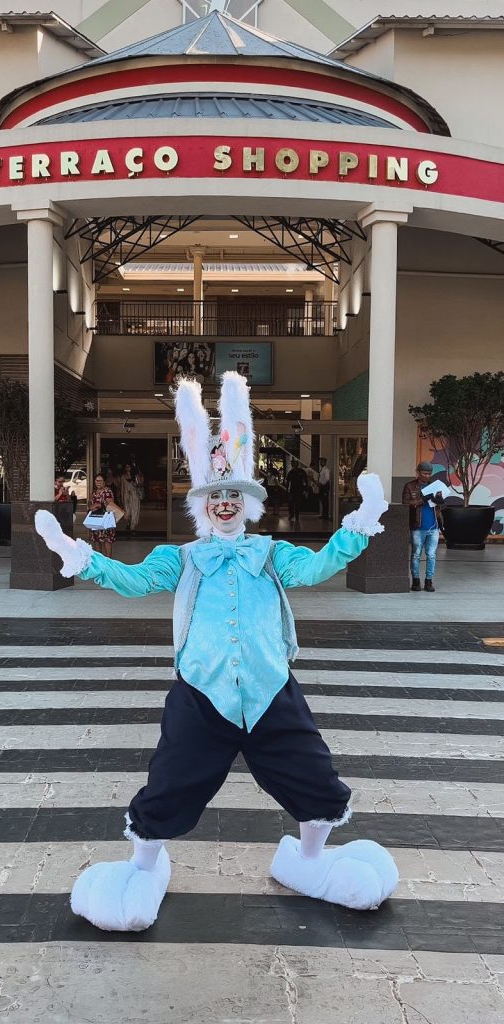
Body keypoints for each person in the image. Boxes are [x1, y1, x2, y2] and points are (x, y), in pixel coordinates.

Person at [35, 371, 398, 933]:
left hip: (270, 688)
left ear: (246, 504)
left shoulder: (272, 553)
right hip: (202, 694)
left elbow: (317, 567)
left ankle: (309, 861)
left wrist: (357, 527)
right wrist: (81, 556)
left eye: (233, 495)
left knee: (313, 775)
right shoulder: (182, 558)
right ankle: (142, 868)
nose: (225, 504)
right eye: (215, 497)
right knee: (172, 781)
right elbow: (133, 581)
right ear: (201, 506)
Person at [402, 460, 444, 592]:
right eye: (425, 473)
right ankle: (415, 580)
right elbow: (405, 503)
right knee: (416, 554)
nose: (427, 476)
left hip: (434, 526)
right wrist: (422, 500)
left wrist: (440, 501)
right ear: (418, 472)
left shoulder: (435, 486)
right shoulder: (409, 486)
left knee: (431, 555)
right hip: (418, 526)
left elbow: (442, 505)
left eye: (429, 473)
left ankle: (428, 581)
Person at [87, 473, 116, 557]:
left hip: (106, 519)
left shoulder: (108, 491)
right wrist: (93, 506)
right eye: (97, 480)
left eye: (100, 480)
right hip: (96, 519)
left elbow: (110, 505)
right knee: (96, 540)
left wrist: (98, 505)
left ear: (104, 482)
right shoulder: (94, 492)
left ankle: (108, 562)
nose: (98, 482)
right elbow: (90, 504)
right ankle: (99, 562)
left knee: (107, 540)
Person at [122, 462, 143, 535]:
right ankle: (129, 523)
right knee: (127, 513)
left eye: (129, 467)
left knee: (135, 511)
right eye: (126, 467)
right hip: (126, 495)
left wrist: (136, 481)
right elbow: (122, 488)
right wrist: (121, 498)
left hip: (134, 495)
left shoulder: (135, 476)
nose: (127, 468)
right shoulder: (123, 476)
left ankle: (132, 528)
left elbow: (140, 484)